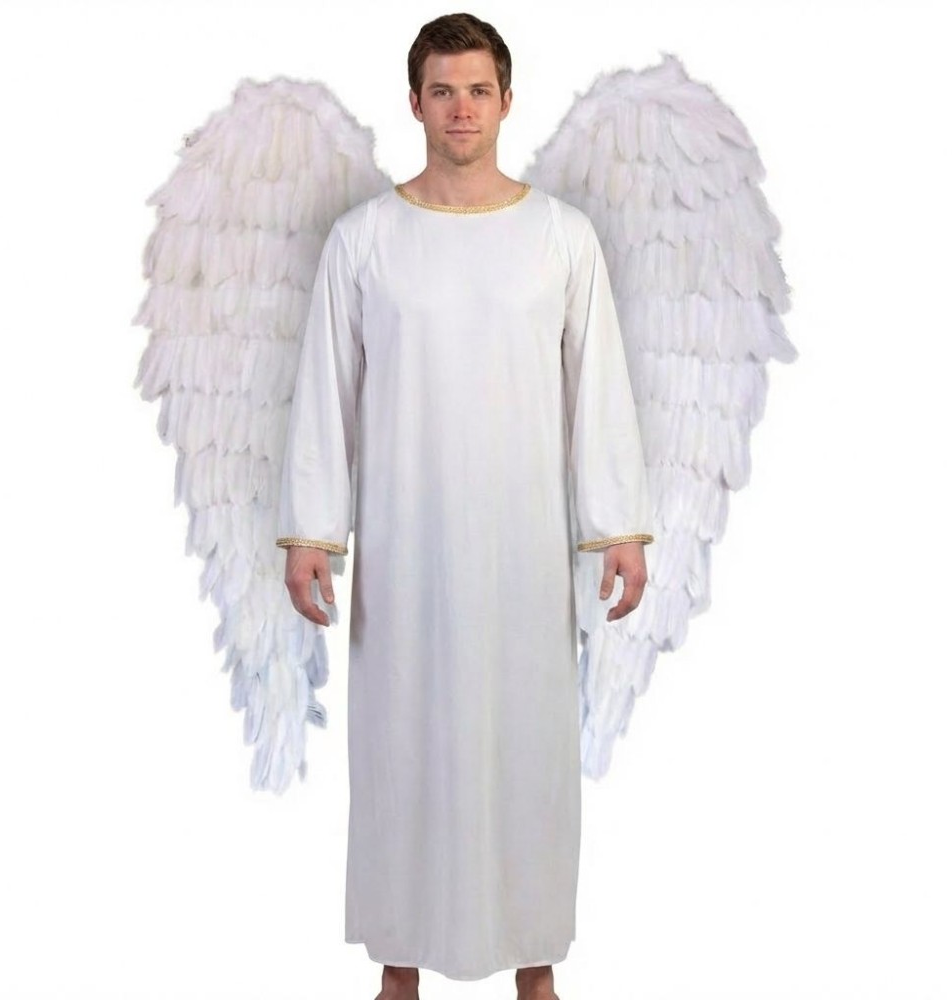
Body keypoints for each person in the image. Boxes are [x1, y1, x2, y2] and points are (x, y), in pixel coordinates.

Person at [275, 12, 654, 1000]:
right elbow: (324, 392)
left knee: (527, 750)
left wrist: (615, 527)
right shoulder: (365, 241)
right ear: (414, 102)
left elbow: (598, 388)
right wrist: (313, 533)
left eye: (478, 90)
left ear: (506, 101)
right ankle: (398, 969)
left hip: (523, 549)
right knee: (402, 746)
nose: (461, 109)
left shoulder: (561, 237)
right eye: (442, 91)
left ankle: (536, 968)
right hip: (406, 545)